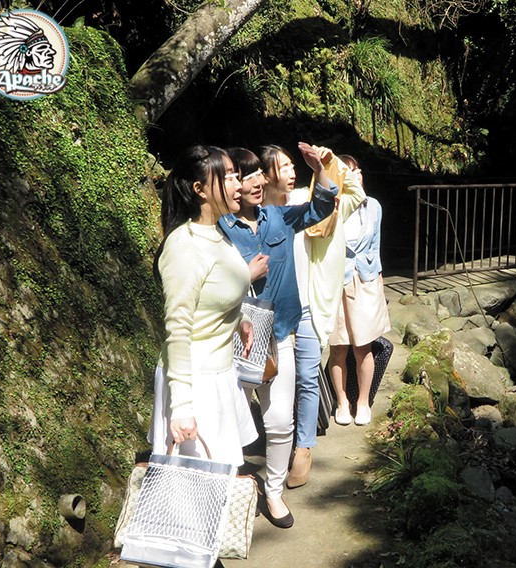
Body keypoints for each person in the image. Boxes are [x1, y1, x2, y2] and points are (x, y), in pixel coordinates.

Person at [218, 142, 338, 527]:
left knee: (280, 422)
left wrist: (319, 170)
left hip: (279, 333)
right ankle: (229, 489)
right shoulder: (219, 229)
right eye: (244, 175)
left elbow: (321, 207)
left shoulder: (278, 217)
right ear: (228, 183)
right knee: (229, 423)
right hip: (233, 341)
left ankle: (273, 491)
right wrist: (244, 276)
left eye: (258, 173)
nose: (255, 182)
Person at [261, 144, 365, 489]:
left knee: (307, 377)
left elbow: (353, 193)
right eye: (284, 167)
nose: (292, 172)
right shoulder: (253, 214)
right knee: (268, 378)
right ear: (264, 176)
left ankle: (304, 447)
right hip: (267, 310)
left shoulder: (306, 201)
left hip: (305, 305)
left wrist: (327, 163)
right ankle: (273, 441)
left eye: (293, 166)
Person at [149, 145, 258, 470]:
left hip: (220, 376)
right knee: (191, 492)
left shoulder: (217, 233)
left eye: (237, 176)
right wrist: (182, 407)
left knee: (219, 484)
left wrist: (238, 318)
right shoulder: (185, 246)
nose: (238, 184)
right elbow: (178, 329)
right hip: (194, 383)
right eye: (228, 177)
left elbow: (211, 296)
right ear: (200, 189)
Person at [327, 155, 391, 426]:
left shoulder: (373, 206)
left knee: (363, 347)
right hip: (334, 282)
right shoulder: (329, 207)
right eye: (350, 172)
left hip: (365, 280)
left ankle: (363, 401)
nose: (358, 176)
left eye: (359, 171)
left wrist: (379, 282)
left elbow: (375, 246)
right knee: (338, 347)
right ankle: (342, 401)